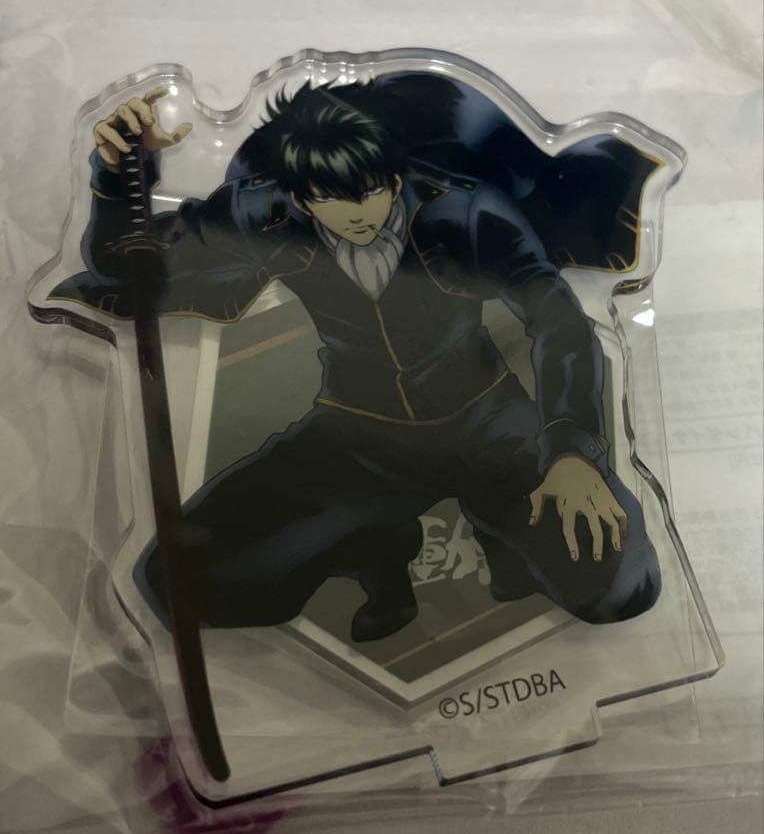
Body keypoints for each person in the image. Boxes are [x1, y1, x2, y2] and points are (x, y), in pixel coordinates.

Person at [63, 77, 661, 642]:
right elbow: (126, 262)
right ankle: (373, 543)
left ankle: (498, 530)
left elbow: (557, 321)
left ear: (396, 179)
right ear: (301, 195)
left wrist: (571, 451)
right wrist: (122, 172)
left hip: (488, 423)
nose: (359, 213)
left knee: (619, 585)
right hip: (358, 431)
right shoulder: (263, 211)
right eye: (331, 198)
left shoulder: (465, 211)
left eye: (373, 190)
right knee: (176, 583)